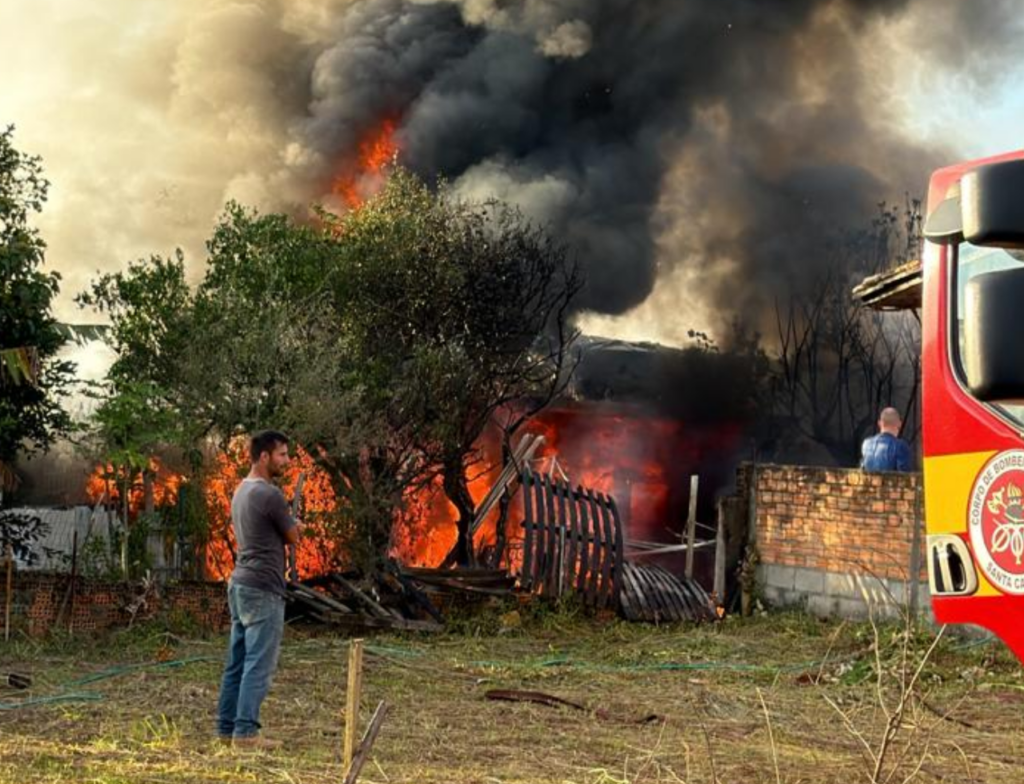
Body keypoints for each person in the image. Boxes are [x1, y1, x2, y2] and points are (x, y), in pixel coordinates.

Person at [216, 430, 300, 748]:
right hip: (263, 589)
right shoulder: (269, 494)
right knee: (257, 664)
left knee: (237, 661)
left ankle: (226, 729)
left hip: (239, 584)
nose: (286, 461)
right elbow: (291, 536)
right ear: (264, 456)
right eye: (282, 454)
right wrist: (295, 527)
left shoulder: (242, 490)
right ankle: (246, 734)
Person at [860, 407, 912, 472]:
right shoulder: (901, 446)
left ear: (879, 423)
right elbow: (904, 477)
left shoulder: (866, 444)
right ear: (899, 424)